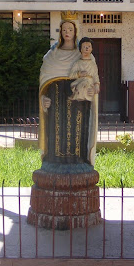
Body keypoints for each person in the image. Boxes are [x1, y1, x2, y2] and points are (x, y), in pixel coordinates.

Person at [38, 19, 98, 166]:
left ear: (75, 31)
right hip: (56, 101)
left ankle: (79, 162)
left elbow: (93, 78)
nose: (67, 33)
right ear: (60, 32)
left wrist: (92, 91)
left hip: (79, 102)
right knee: (57, 133)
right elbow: (44, 83)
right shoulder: (51, 56)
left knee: (77, 132)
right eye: (64, 29)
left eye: (70, 29)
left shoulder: (85, 56)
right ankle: (54, 162)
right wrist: (43, 98)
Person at [69, 37, 100, 102]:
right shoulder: (77, 63)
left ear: (91, 49)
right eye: (84, 46)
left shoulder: (93, 64)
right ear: (80, 49)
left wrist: (96, 85)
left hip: (90, 86)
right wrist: (79, 74)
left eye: (89, 46)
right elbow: (71, 75)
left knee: (90, 101)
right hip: (79, 86)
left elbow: (95, 76)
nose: (87, 48)